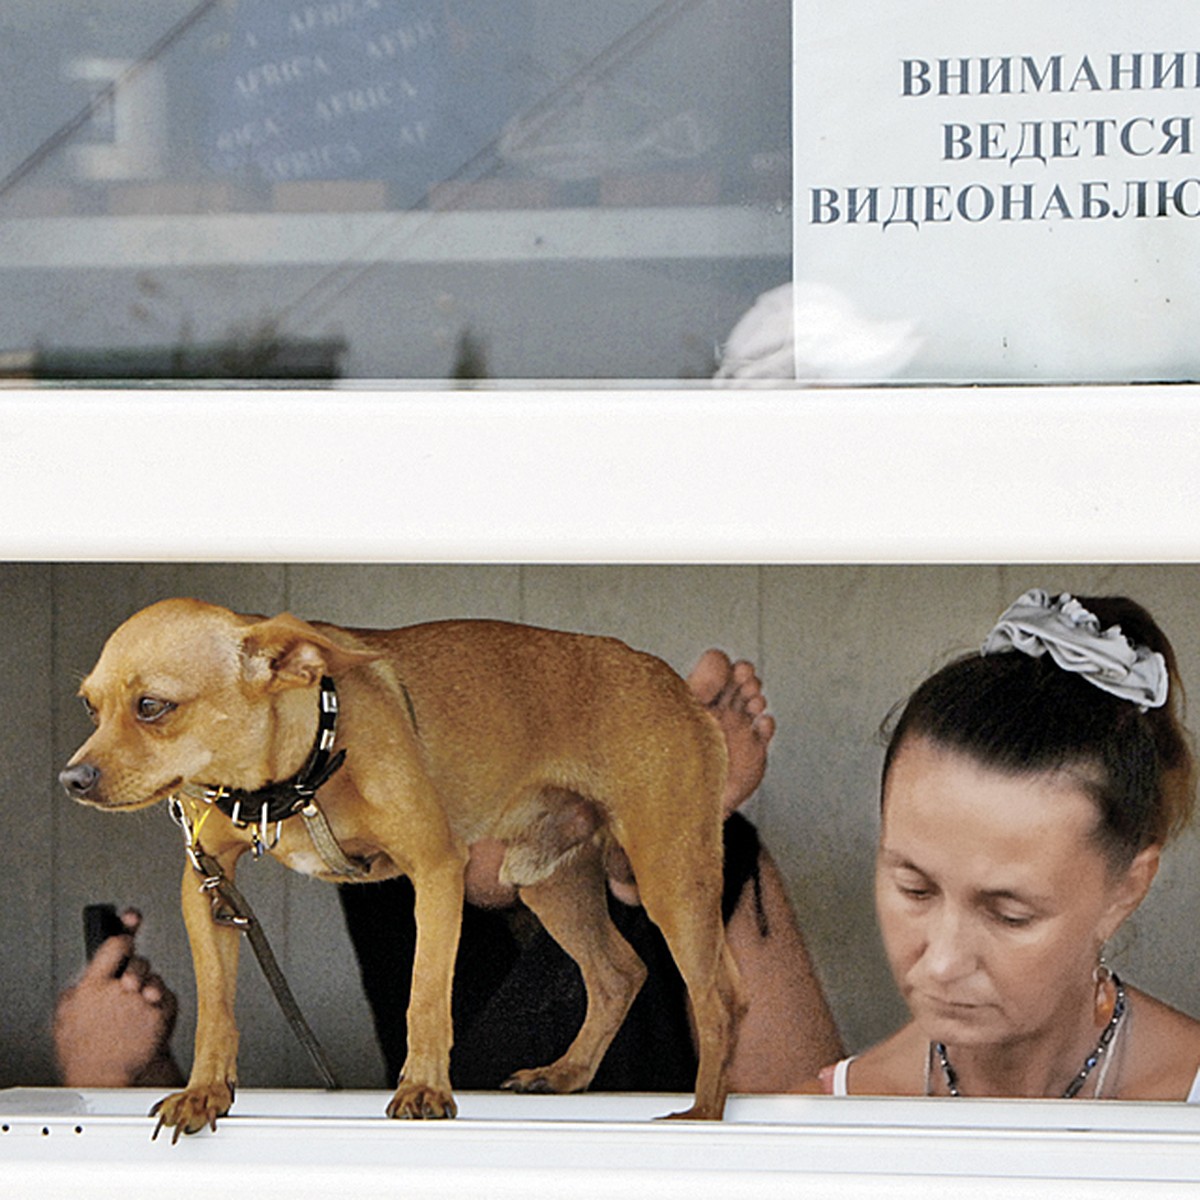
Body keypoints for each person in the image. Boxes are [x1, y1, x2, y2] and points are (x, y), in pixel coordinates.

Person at [56, 650, 843, 1093]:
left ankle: (650, 840)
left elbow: (803, 1124)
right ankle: (642, 846)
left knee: (707, 859)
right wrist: (117, 1073)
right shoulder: (364, 850)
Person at [813, 589, 1200, 1101]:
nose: (944, 962)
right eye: (915, 890)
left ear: (1125, 891)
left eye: (1009, 915)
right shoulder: (826, 1122)